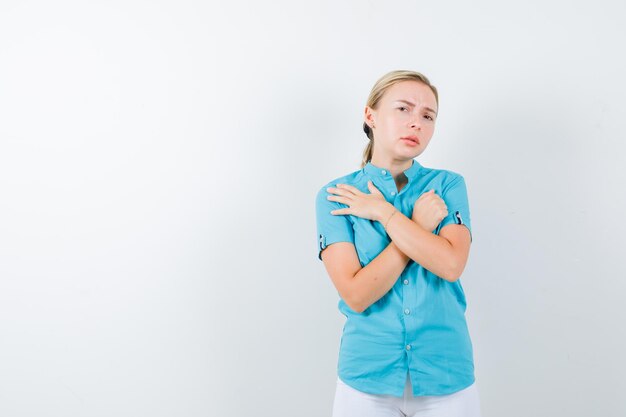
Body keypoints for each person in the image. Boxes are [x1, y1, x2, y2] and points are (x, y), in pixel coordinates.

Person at [315, 70, 482, 417]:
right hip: (366, 380)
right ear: (370, 115)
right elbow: (356, 294)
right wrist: (417, 227)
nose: (416, 123)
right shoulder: (337, 196)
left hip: (446, 376)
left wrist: (385, 215)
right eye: (403, 109)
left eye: (427, 116)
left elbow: (451, 265)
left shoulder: (448, 186)